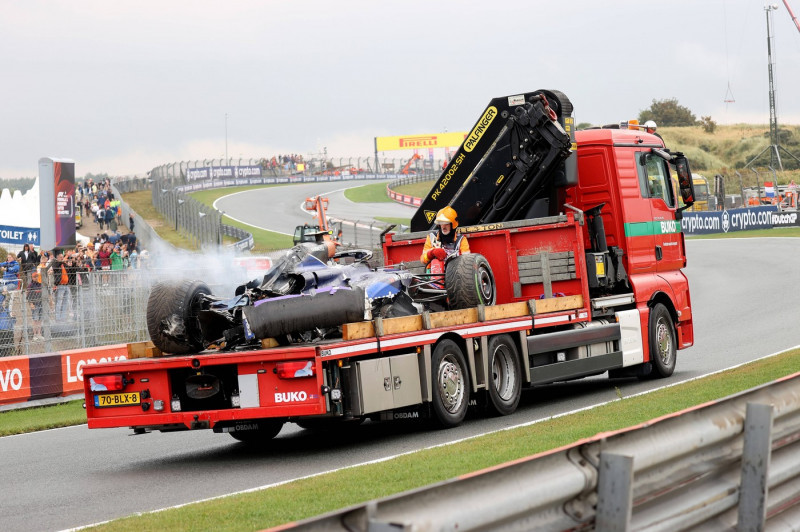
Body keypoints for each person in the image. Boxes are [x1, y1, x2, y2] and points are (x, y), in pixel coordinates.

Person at [420, 206, 470, 286]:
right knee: (436, 262)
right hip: (433, 278)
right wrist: (432, 253)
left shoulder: (461, 240)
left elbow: (467, 263)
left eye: (446, 223)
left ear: (452, 224)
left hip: (455, 279)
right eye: (441, 223)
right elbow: (422, 260)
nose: (443, 226)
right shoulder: (431, 237)